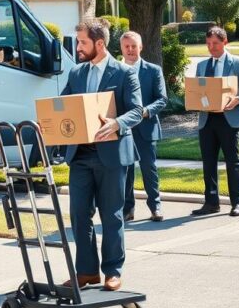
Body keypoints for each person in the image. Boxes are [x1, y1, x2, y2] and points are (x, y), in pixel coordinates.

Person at [59, 19, 143, 292]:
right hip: (81, 156)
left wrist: (116, 123)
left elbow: (136, 110)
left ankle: (112, 272)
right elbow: (62, 106)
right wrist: (47, 121)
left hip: (111, 155)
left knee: (112, 215)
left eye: (83, 42)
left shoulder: (124, 73)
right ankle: (86, 272)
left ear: (99, 43)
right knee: (79, 215)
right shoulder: (76, 73)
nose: (78, 47)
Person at [191, 26, 239, 217]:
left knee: (232, 162)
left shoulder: (237, 63)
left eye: (215, 43)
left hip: (228, 120)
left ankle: (237, 202)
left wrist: (238, 100)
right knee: (208, 163)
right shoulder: (202, 66)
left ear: (225, 42)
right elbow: (198, 91)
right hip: (207, 119)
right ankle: (211, 202)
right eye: (208, 44)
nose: (211, 47)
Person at [119, 31, 168, 222]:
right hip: (124, 129)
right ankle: (128, 209)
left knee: (149, 169)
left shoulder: (153, 70)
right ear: (122, 48)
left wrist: (145, 112)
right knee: (126, 171)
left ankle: (155, 207)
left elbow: (162, 99)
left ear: (141, 47)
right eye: (127, 46)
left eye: (134, 46)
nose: (130, 50)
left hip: (146, 127)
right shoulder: (115, 70)